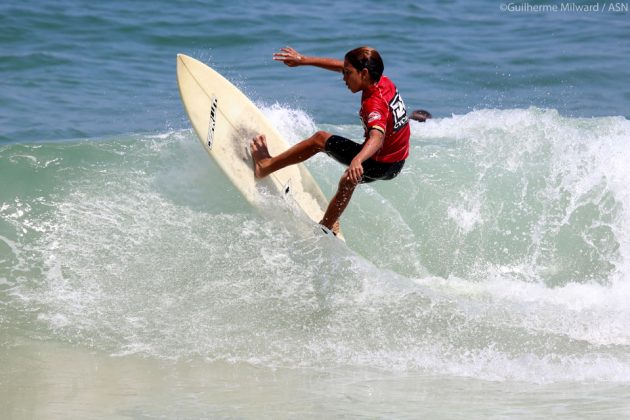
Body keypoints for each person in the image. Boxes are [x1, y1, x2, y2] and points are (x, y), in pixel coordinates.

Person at [250, 46, 410, 235]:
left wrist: (357, 160)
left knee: (320, 140)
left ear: (364, 73)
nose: (344, 78)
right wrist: (304, 60)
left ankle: (265, 166)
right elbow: (341, 66)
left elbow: (377, 136)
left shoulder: (373, 102)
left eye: (348, 73)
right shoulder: (382, 81)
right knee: (349, 178)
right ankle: (329, 225)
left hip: (380, 161)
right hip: (397, 161)